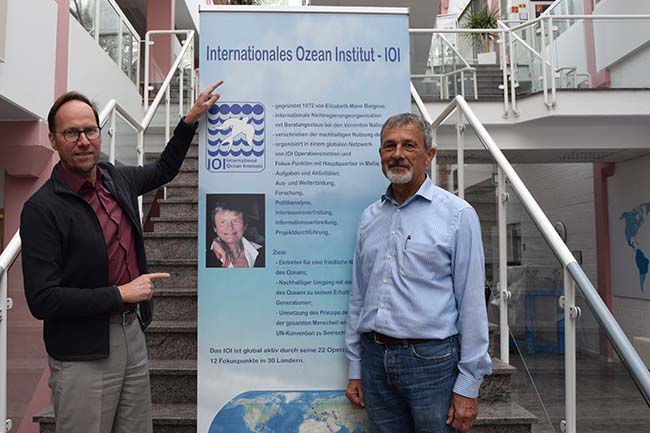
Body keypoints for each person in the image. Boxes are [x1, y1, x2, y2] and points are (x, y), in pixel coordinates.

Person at [20, 81, 223, 433]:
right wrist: (120, 294)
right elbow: (43, 299)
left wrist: (189, 120)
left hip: (132, 334)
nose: (83, 141)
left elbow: (163, 171)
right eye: (71, 133)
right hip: (82, 351)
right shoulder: (42, 209)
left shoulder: (114, 179)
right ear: (53, 139)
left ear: (100, 133)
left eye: (89, 130)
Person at [344, 113, 492, 433]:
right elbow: (359, 295)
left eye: (409, 145)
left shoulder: (457, 215)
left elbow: (471, 304)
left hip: (433, 363)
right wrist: (356, 366)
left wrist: (468, 385)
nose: (397, 154)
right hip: (375, 360)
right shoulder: (370, 217)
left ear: (430, 154)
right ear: (381, 155)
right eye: (389, 146)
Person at [207, 199, 265, 268]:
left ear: (245, 225)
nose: (230, 227)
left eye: (235, 221)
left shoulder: (262, 252)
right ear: (215, 228)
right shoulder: (207, 258)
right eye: (222, 222)